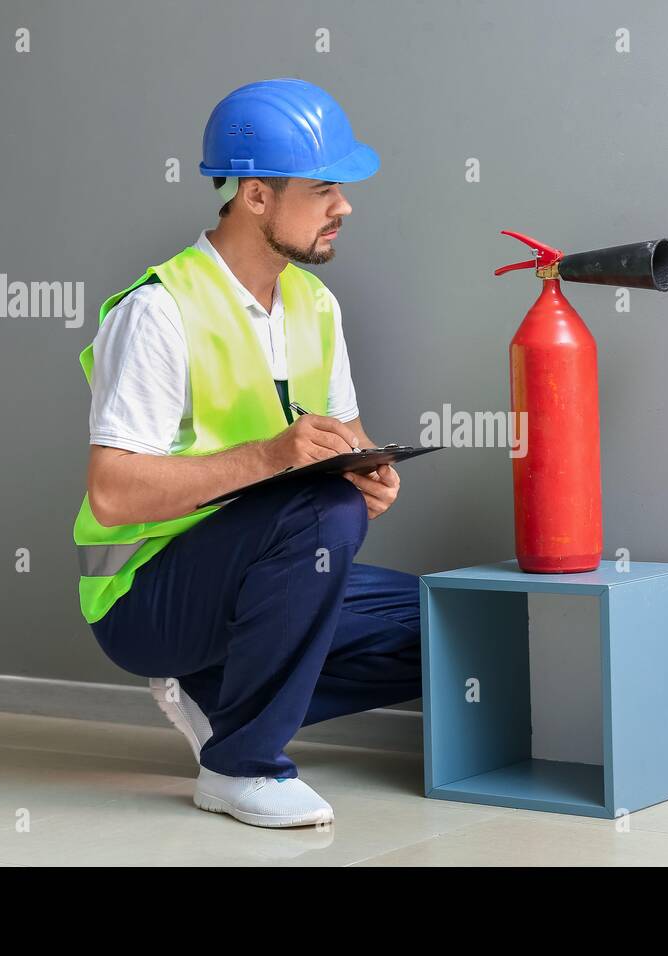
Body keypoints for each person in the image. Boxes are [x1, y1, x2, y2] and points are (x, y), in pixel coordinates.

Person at [72, 78, 421, 829]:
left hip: (255, 576)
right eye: (325, 188)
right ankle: (242, 766)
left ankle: (217, 702)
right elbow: (112, 495)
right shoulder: (159, 311)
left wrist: (368, 472)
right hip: (145, 595)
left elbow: (344, 440)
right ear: (256, 196)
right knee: (322, 509)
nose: (345, 206)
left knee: (444, 626)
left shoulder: (315, 305)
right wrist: (275, 458)